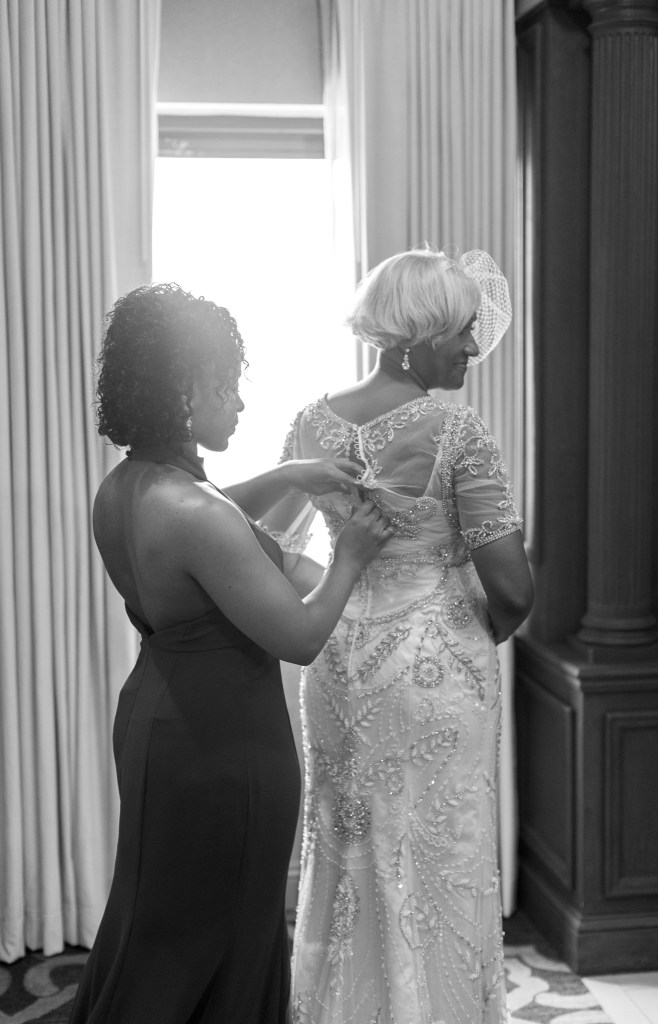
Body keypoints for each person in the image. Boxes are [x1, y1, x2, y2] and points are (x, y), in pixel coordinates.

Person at [68, 282, 393, 1024]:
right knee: (222, 935)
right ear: (183, 390)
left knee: (158, 927)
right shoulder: (193, 510)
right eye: (226, 385)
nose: (240, 403)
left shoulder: (129, 487)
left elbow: (216, 523)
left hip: (161, 724)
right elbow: (300, 637)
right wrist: (351, 554)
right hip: (222, 751)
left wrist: (287, 477)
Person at [261, 247, 534, 1024]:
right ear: (417, 336)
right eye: (461, 332)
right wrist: (461, 623)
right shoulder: (456, 430)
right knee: (439, 855)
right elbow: (513, 588)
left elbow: (267, 544)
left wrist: (344, 593)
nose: (474, 347)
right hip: (436, 669)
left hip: (338, 661)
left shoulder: (310, 421)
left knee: (348, 851)